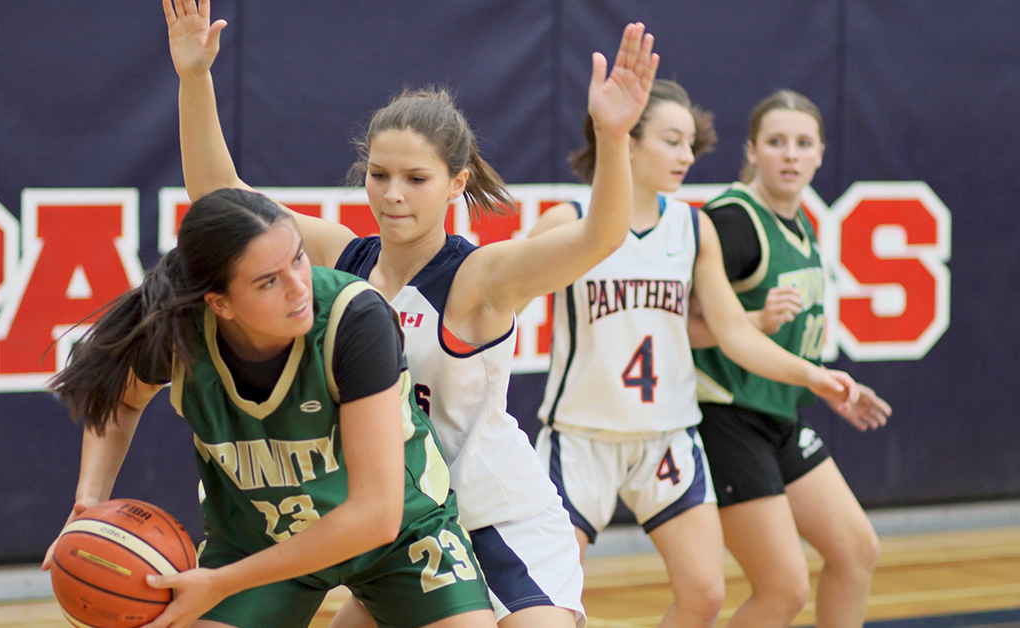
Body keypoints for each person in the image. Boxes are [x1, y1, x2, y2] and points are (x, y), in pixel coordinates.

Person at [162, 1, 660, 625]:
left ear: (456, 183)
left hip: (490, 517)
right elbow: (221, 198)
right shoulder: (339, 262)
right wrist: (194, 78)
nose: (393, 193)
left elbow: (599, 239)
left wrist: (613, 137)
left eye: (416, 179)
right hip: (401, 522)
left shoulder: (478, 278)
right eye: (378, 174)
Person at [42, 189, 497, 628]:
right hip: (258, 539)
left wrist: (220, 583)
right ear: (219, 303)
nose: (299, 287)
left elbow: (375, 516)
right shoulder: (181, 331)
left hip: (399, 535)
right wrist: (90, 499)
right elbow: (121, 398)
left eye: (297, 258)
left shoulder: (352, 317)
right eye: (268, 281)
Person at [522, 80, 860, 628]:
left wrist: (813, 376)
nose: (687, 157)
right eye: (673, 141)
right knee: (546, 598)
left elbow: (732, 332)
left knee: (704, 596)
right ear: (627, 140)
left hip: (668, 437)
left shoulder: (692, 225)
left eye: (690, 145)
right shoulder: (566, 222)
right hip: (582, 437)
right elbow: (494, 303)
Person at [690, 89, 891, 628]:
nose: (791, 154)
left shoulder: (801, 228)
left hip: (778, 415)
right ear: (752, 150)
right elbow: (674, 325)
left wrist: (825, 388)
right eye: (776, 142)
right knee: (783, 589)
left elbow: (791, 344)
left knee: (856, 549)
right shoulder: (733, 221)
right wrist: (753, 322)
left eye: (804, 144)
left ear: (821, 153)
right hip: (725, 416)